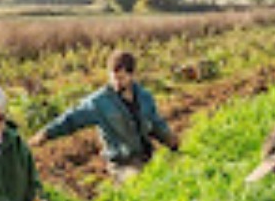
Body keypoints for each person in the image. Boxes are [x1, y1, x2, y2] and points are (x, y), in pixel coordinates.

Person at [29, 50, 179, 184]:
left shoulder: (145, 97)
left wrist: (170, 140)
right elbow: (72, 119)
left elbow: (155, 123)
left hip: (145, 157)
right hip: (121, 164)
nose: (116, 83)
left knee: (167, 181)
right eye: (113, 78)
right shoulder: (99, 102)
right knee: (137, 181)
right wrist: (46, 133)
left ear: (132, 75)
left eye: (121, 78)